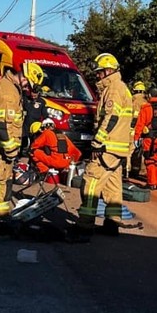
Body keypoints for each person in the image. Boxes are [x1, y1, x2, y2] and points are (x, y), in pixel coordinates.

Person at [67, 52, 133, 242]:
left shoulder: (113, 89)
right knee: (113, 186)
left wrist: (98, 141)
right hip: (118, 148)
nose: (97, 76)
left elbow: (111, 118)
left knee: (91, 181)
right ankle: (112, 223)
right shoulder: (123, 88)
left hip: (107, 146)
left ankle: (85, 225)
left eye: (99, 72)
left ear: (108, 71)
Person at [0, 59, 45, 227]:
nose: (27, 89)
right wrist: (9, 149)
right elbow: (2, 124)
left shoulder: (1, 84)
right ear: (23, 77)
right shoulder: (8, 93)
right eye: (28, 85)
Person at [129, 81, 148, 179]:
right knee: (139, 152)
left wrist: (131, 128)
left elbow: (134, 116)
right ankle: (135, 171)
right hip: (145, 131)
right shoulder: (146, 101)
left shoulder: (134, 100)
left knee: (129, 150)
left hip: (134, 129)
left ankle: (126, 170)